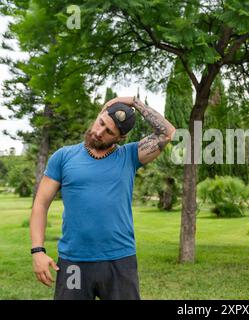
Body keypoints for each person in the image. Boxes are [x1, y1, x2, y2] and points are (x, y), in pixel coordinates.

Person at [30, 96, 176, 300]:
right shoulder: (63, 157)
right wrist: (38, 251)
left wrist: (135, 103)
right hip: (74, 262)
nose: (99, 132)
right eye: (101, 123)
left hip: (119, 261)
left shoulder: (130, 156)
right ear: (99, 114)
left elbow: (167, 133)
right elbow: (40, 204)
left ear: (120, 138)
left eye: (109, 132)